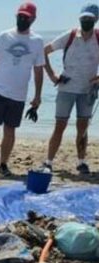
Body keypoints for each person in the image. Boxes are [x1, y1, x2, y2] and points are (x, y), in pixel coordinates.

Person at [0, 2, 44, 177]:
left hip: (19, 96)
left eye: (26, 17)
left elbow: (38, 71)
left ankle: (3, 164)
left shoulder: (37, 41)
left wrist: (37, 96)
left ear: (33, 19)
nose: (22, 19)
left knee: (10, 131)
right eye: (19, 16)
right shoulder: (4, 36)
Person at [42, 3, 99, 175]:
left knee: (83, 127)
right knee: (60, 125)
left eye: (90, 18)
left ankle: (81, 162)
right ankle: (48, 162)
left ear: (96, 20)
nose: (86, 21)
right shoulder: (70, 35)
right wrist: (52, 75)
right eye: (83, 18)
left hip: (87, 91)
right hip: (66, 89)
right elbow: (43, 51)